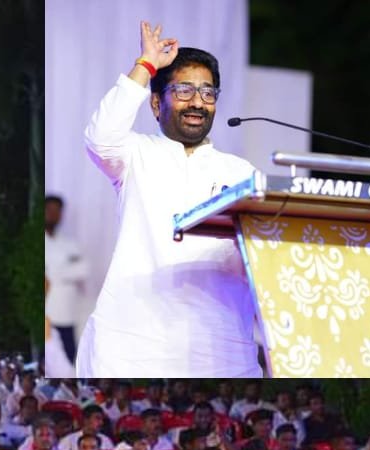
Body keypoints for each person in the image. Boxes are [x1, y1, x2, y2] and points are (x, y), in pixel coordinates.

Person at [78, 24, 257, 377]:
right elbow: (100, 138)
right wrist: (146, 64)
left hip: (221, 347)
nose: (197, 102)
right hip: (132, 342)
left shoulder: (241, 172)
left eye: (208, 93)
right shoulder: (136, 153)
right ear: (157, 102)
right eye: (185, 90)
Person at [43, 194, 88, 362]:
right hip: (46, 312)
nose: (53, 214)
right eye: (49, 210)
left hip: (66, 310)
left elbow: (83, 270)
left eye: (57, 211)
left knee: (69, 358)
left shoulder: (69, 243)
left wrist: (54, 272)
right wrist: (66, 269)